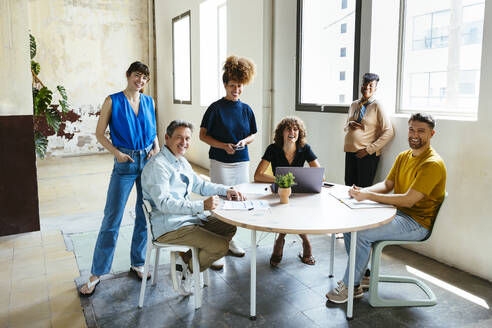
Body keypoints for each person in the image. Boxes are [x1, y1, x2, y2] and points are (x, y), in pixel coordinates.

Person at [326, 113, 446, 303]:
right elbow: (388, 184)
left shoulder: (432, 164)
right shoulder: (404, 156)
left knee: (362, 234)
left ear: (432, 134)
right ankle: (363, 276)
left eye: (421, 131)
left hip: (416, 223)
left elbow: (408, 200)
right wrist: (363, 191)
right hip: (397, 214)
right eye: (412, 129)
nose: (415, 135)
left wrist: (368, 196)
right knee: (351, 228)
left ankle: (350, 286)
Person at [79, 62, 159, 296]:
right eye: (137, 75)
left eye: (144, 77)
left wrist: (156, 149)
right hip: (125, 162)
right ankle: (97, 273)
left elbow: (153, 132)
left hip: (147, 161)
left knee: (144, 215)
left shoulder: (149, 101)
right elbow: (99, 133)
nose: (140, 81)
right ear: (128, 76)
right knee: (112, 217)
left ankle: (138, 262)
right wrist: (116, 153)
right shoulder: (112, 100)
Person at [141, 120, 244, 294]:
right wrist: (201, 205)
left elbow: (200, 186)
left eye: (187, 138)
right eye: (179, 138)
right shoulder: (159, 166)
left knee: (228, 227)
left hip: (186, 220)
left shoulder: (180, 161)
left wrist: (226, 190)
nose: (184, 143)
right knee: (220, 247)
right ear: (167, 138)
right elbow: (165, 204)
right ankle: (188, 273)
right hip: (169, 226)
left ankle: (184, 260)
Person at [199, 55, 257, 268]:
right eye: (232, 85)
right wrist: (223, 146)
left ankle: (230, 240)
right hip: (220, 162)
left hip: (242, 162)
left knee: (238, 202)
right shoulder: (215, 108)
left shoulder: (246, 109)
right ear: (225, 85)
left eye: (239, 86)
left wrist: (244, 140)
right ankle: (217, 246)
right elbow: (202, 135)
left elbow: (253, 134)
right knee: (220, 202)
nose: (236, 90)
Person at [254, 116, 321, 267]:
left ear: (300, 133)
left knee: (295, 209)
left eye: (296, 129)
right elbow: (258, 175)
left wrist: (311, 179)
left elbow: (319, 173)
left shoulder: (305, 149)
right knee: (286, 207)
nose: (292, 132)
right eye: (288, 129)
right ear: (282, 133)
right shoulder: (273, 149)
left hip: (298, 188)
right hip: (280, 189)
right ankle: (305, 241)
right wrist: (280, 180)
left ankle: (281, 239)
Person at [344, 73, 394, 187]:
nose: (367, 87)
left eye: (371, 85)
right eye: (365, 84)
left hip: (366, 154)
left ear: (376, 88)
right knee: (348, 186)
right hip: (350, 151)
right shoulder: (354, 104)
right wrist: (349, 124)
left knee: (363, 188)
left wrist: (368, 150)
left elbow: (389, 131)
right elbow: (346, 125)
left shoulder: (377, 105)